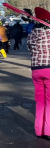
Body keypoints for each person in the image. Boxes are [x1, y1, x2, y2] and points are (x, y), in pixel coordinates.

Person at [27, 8, 50, 138]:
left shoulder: (32, 34)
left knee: (40, 100)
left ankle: (38, 130)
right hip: (49, 68)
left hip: (36, 69)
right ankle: (48, 130)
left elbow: (30, 48)